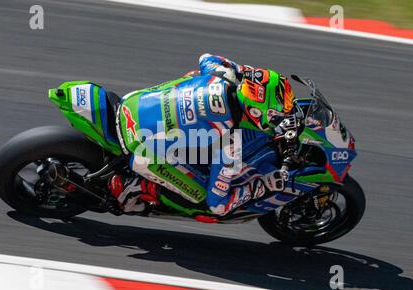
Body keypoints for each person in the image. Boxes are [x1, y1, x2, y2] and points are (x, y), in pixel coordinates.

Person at [109, 53, 295, 215]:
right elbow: (217, 205)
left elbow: (206, 57)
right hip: (144, 150)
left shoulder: (222, 76)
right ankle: (135, 188)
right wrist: (263, 186)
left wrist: (240, 70)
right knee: (202, 197)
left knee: (192, 77)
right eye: (276, 113)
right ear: (254, 111)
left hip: (132, 104)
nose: (281, 116)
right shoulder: (230, 141)